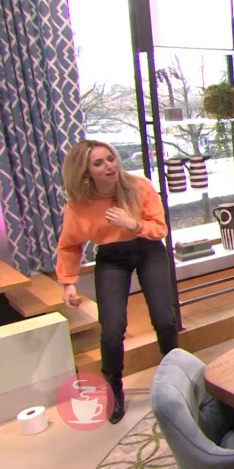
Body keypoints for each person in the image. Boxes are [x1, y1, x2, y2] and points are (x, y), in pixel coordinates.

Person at [57, 140, 178, 424]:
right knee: (112, 329)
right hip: (111, 258)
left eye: (110, 158)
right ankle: (114, 387)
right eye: (99, 163)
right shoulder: (79, 205)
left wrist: (133, 224)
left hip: (148, 249)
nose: (109, 166)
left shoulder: (139, 187)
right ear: (86, 172)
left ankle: (175, 373)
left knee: (164, 319)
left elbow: (160, 228)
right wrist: (68, 282)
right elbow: (69, 245)